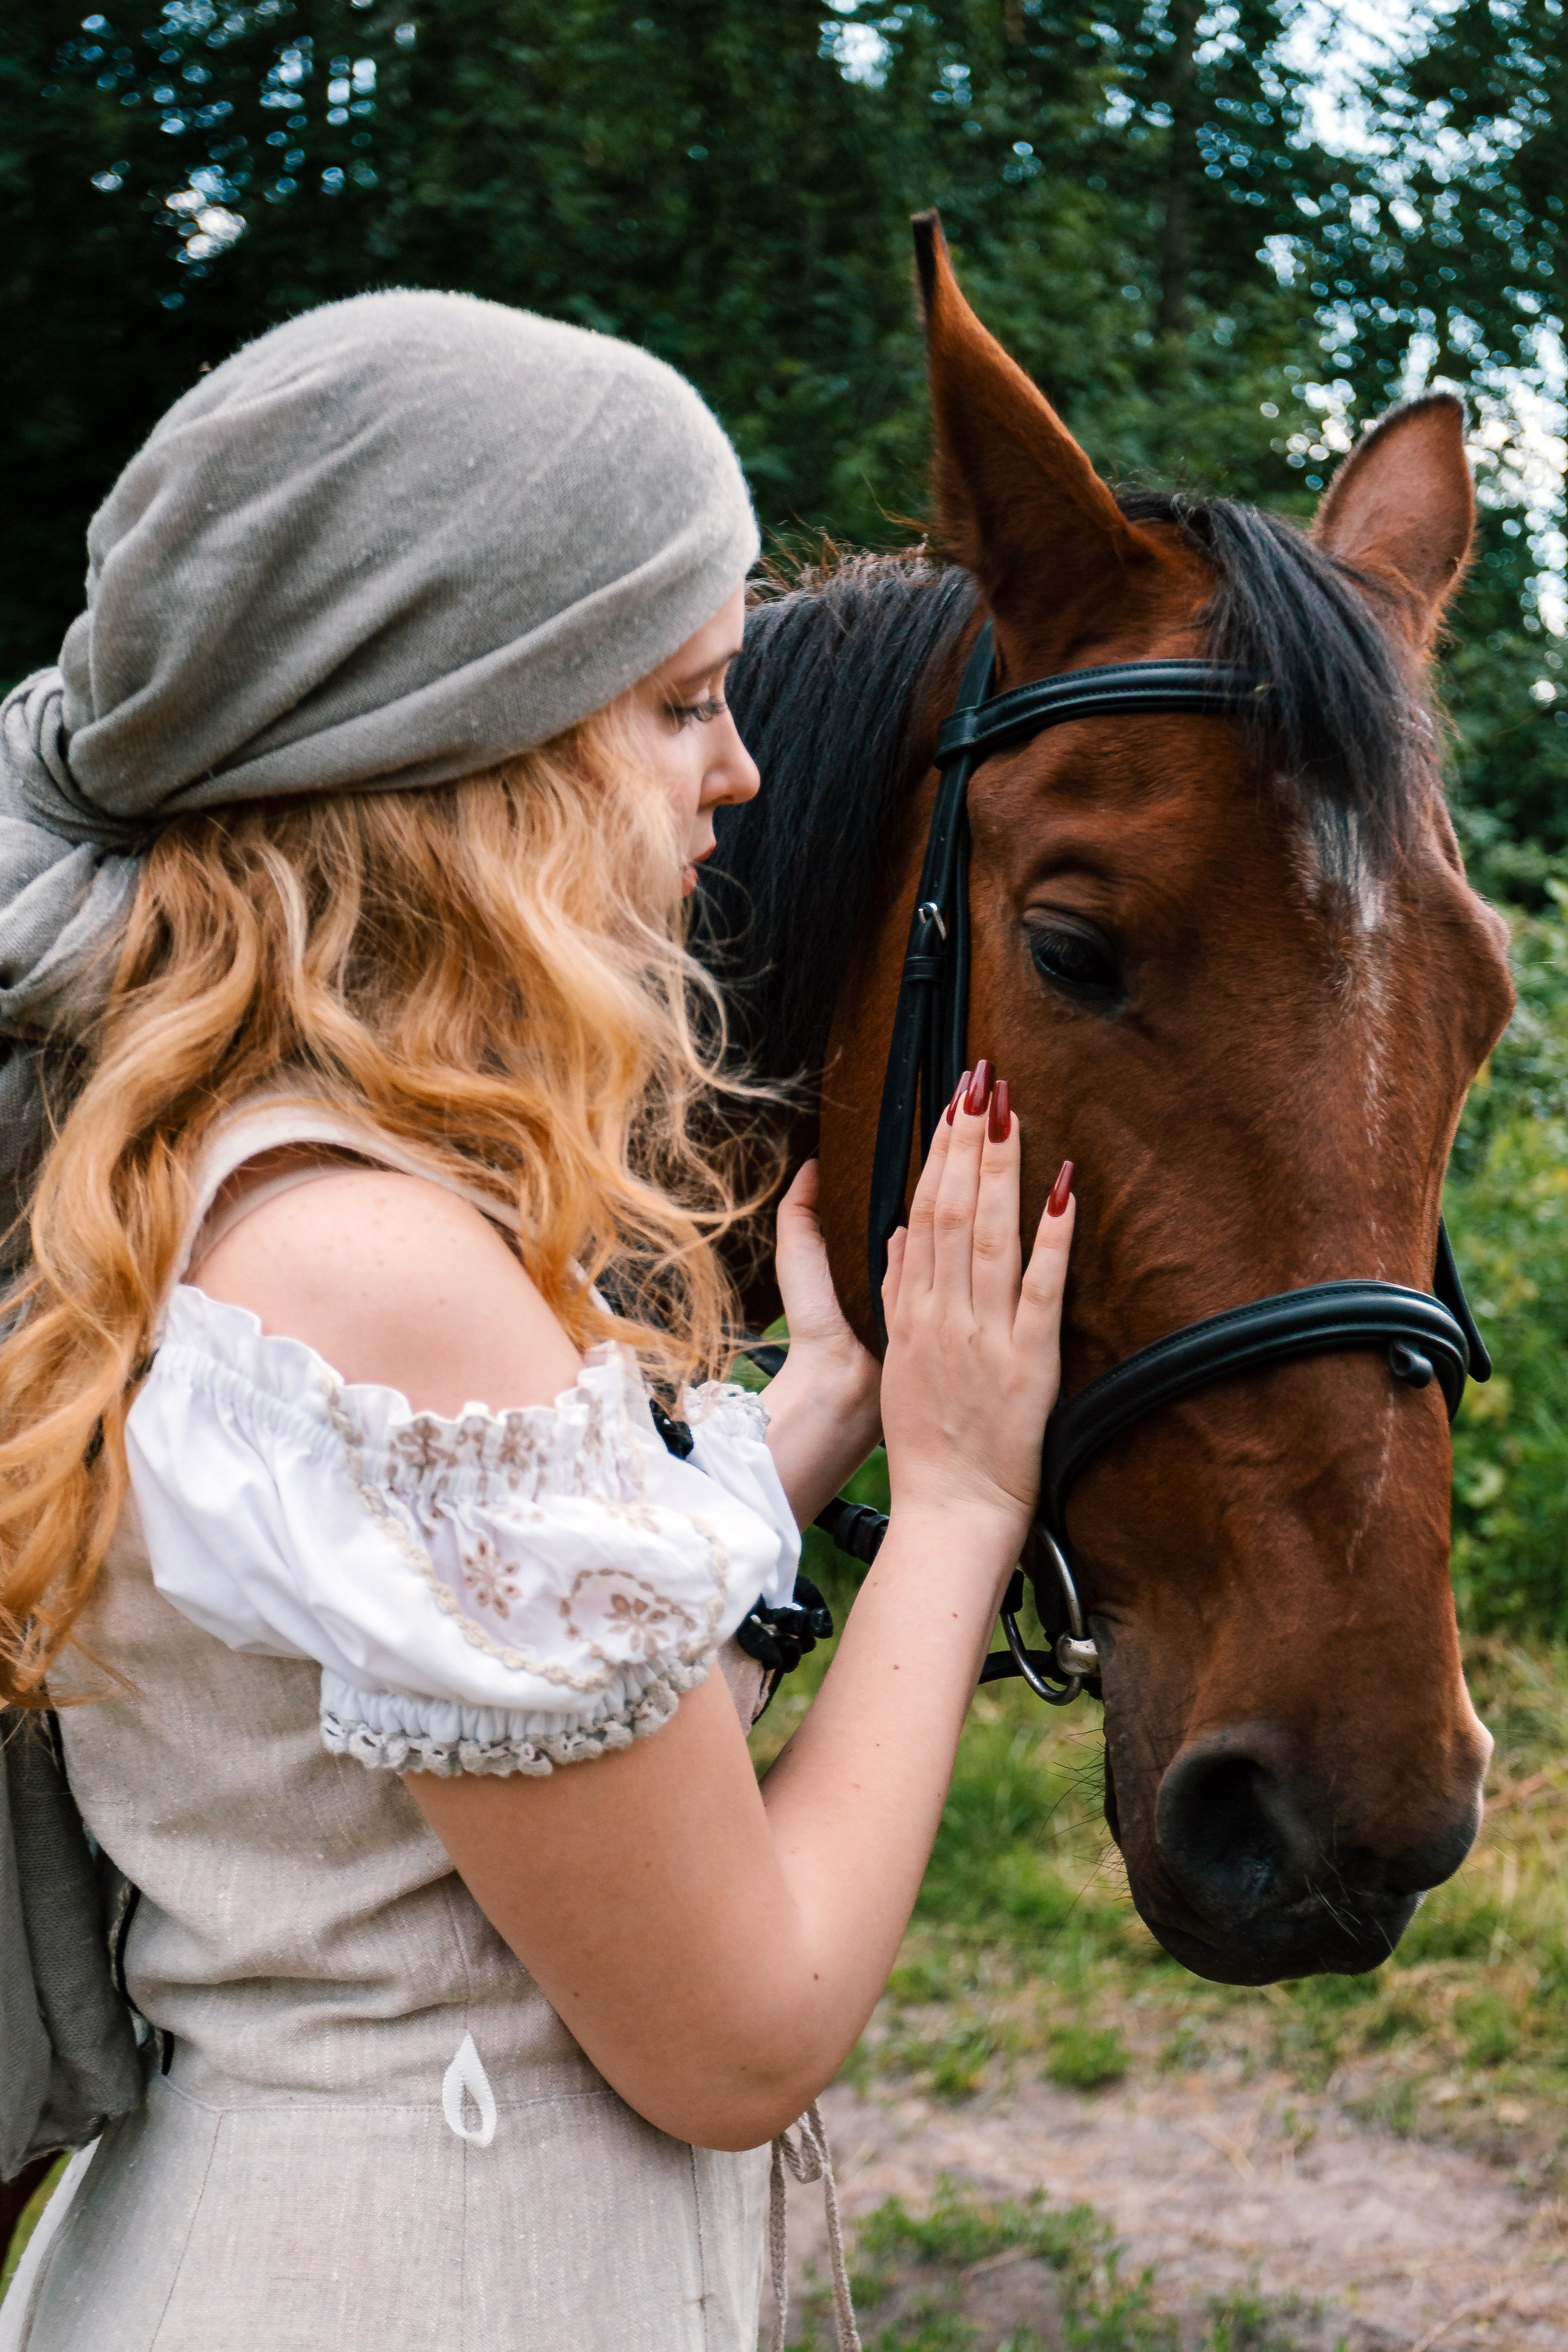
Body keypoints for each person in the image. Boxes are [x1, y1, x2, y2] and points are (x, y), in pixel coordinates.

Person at [0, 290, 1075, 2351]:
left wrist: (826, 1401)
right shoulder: (380, 1269)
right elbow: (743, 2036)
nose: (745, 770)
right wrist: (952, 1497)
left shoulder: (262, 1188)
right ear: (457, 750)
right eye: (682, 701)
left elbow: (477, 1684)